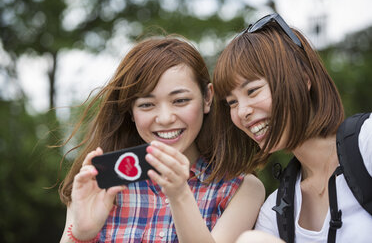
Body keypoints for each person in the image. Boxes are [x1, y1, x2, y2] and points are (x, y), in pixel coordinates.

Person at [58, 36, 265, 243]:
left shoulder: (240, 188)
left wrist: (179, 195)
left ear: (207, 98)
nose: (165, 118)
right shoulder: (98, 180)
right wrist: (80, 235)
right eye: (147, 104)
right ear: (131, 110)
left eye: (180, 100)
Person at [212, 13, 372, 243]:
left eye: (252, 91)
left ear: (303, 79)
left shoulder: (367, 141)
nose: (241, 112)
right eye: (232, 102)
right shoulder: (274, 212)